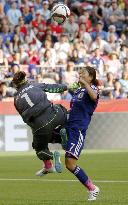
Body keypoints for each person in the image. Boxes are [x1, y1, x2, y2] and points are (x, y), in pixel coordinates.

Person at [12, 71, 68, 176]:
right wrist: (66, 87)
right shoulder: (33, 85)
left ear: (15, 85)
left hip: (39, 125)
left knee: (39, 147)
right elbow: (52, 88)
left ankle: (50, 162)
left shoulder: (16, 100)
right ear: (26, 80)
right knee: (63, 110)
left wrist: (35, 129)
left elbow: (25, 119)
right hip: (54, 115)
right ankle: (64, 132)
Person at [62, 66, 100, 201]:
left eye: (83, 73)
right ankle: (49, 161)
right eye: (79, 73)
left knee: (70, 164)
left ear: (90, 77)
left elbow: (94, 97)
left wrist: (85, 84)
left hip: (78, 129)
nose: (80, 74)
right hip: (69, 125)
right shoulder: (78, 90)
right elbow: (74, 108)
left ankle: (93, 188)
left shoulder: (93, 89)